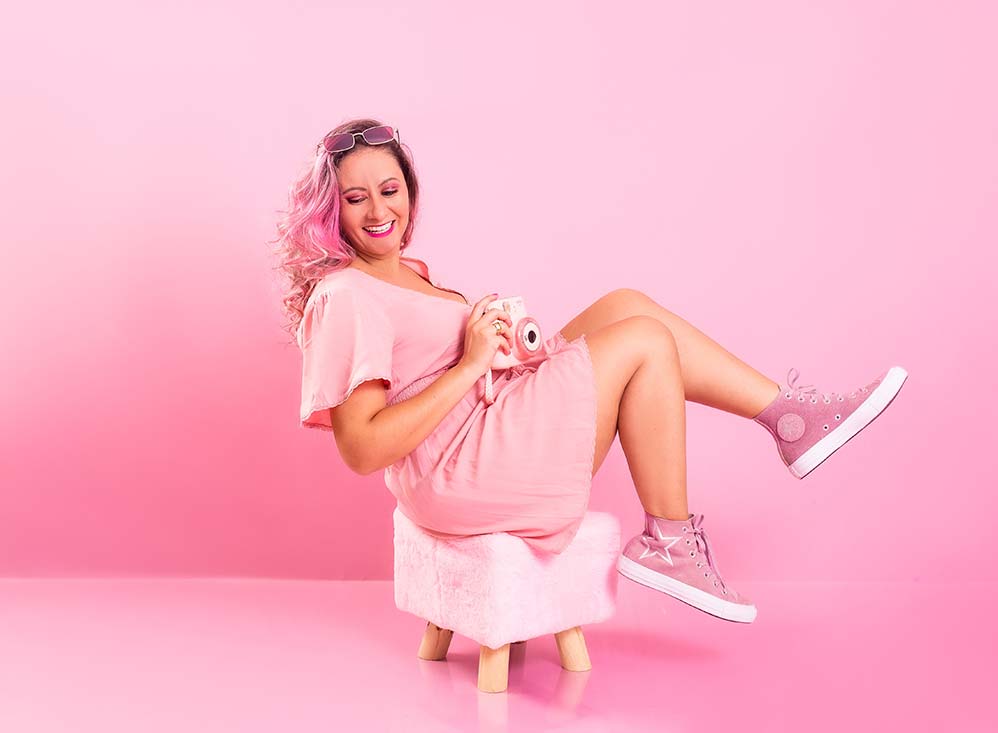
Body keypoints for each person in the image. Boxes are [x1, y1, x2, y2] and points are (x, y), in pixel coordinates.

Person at [272, 118, 908, 624]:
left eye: (391, 190)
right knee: (642, 342)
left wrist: (498, 350)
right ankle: (669, 539)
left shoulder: (407, 274)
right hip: (459, 471)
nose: (379, 210)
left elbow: (446, 369)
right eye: (356, 198)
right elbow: (362, 449)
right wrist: (469, 366)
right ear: (333, 209)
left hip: (487, 427)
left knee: (624, 307)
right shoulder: (345, 295)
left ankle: (788, 417)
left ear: (411, 193)